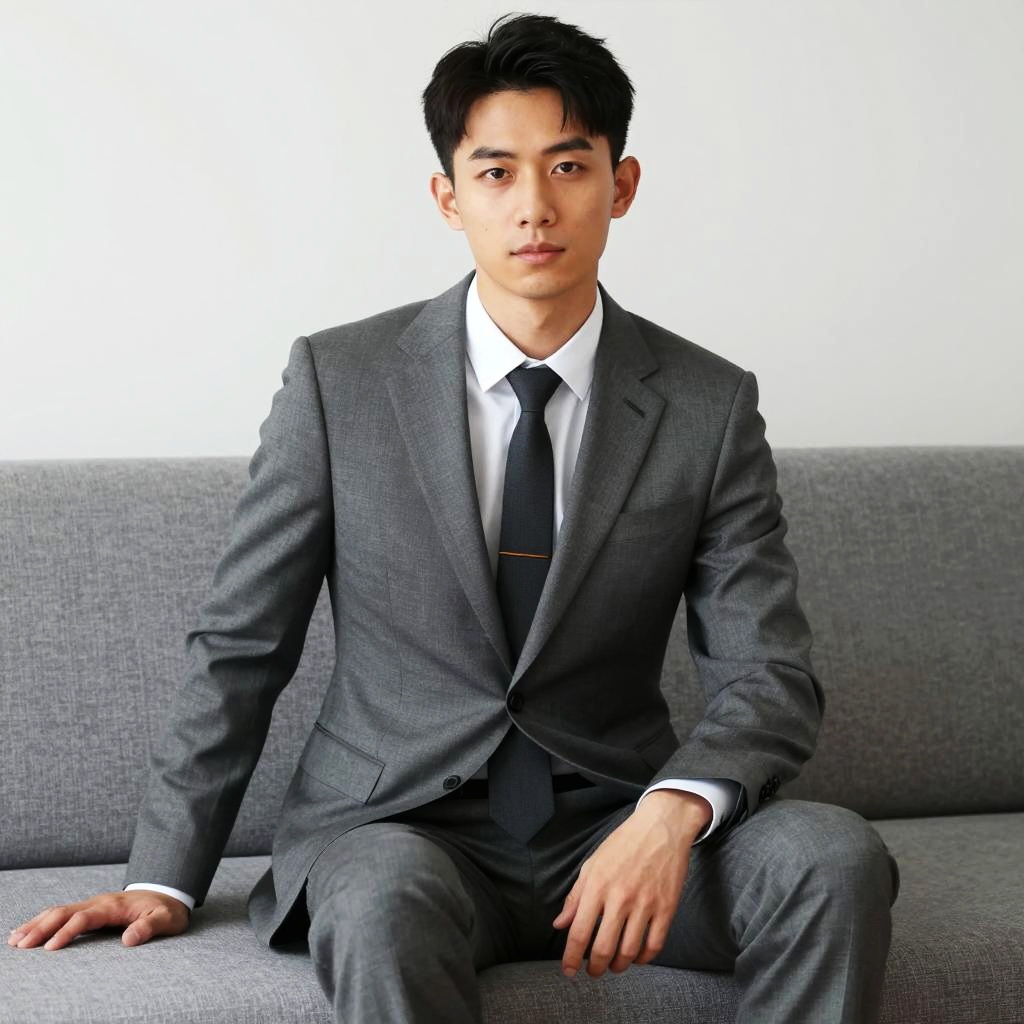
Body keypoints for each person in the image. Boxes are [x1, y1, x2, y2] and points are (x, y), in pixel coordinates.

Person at [7, 12, 899, 1023]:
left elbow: (768, 673)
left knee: (831, 855)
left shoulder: (707, 404)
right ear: (448, 197)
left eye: (569, 167)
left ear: (621, 185)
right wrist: (162, 876)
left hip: (616, 824)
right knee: (379, 899)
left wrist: (670, 812)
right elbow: (243, 643)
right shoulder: (339, 381)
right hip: (402, 832)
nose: (534, 207)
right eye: (496, 173)